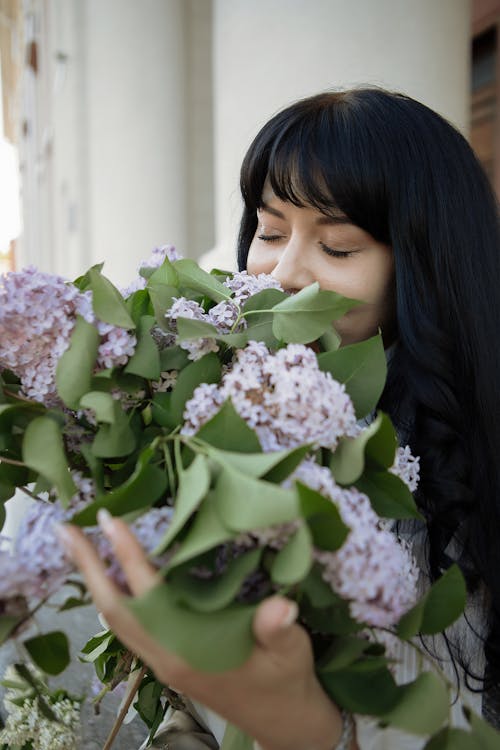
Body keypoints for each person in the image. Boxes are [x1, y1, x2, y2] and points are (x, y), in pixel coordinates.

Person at [58, 87, 500, 750]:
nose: (284, 273)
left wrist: (299, 722)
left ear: (424, 268)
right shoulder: (228, 416)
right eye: (268, 232)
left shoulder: (447, 481)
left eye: (339, 247)